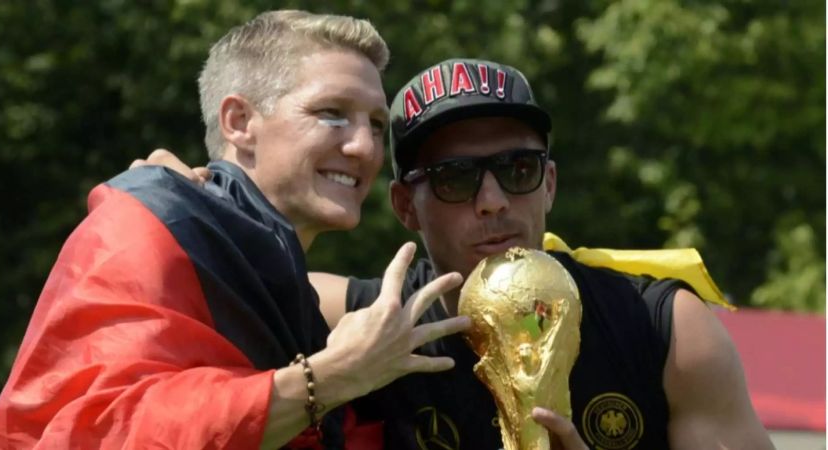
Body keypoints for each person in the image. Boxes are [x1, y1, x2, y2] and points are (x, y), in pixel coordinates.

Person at [143, 57, 775, 449]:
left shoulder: (664, 327)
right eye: (455, 178)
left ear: (549, 184)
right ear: (405, 207)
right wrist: (175, 199)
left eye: (518, 169)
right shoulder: (372, 320)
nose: (494, 201)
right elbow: (201, 290)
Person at [0, 11, 475, 450]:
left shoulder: (296, 298)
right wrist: (329, 378)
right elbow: (99, 433)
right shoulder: (147, 227)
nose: (364, 148)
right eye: (332, 115)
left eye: (373, 123)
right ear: (239, 122)